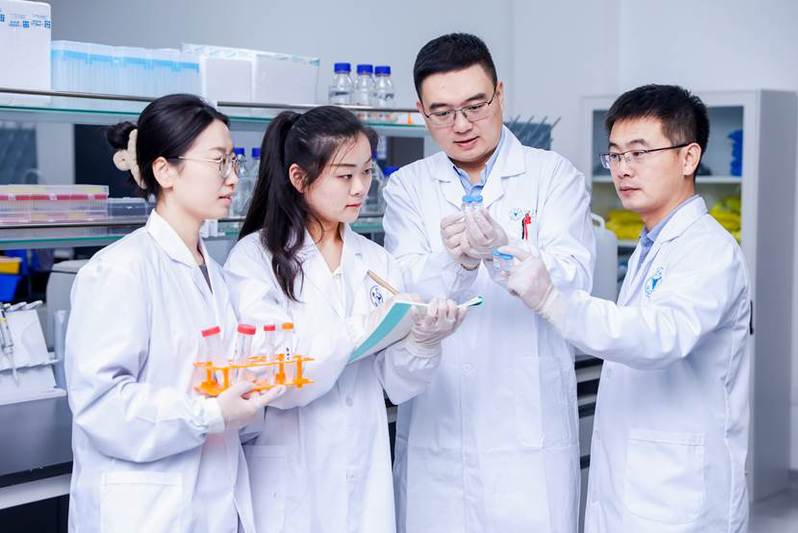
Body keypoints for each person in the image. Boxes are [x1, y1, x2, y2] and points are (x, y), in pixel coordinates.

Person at [500, 84, 751, 532]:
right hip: (638, 487)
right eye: (615, 155)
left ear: (689, 158)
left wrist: (554, 301)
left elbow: (660, 335)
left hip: (679, 495)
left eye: (639, 153)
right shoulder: (650, 245)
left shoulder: (709, 250)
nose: (623, 169)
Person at [382, 33, 595, 532]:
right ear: (421, 112)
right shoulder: (407, 187)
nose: (461, 125)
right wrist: (453, 263)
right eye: (442, 112)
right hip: (439, 426)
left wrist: (505, 253)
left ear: (500, 94)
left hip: (528, 431)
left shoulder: (553, 176)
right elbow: (404, 288)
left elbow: (574, 275)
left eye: (475, 106)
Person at [223, 106, 466, 533]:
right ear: (299, 178)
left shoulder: (376, 260)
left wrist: (423, 342)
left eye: (366, 172)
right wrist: (363, 327)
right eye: (344, 175)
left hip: (363, 466)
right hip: (291, 475)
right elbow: (276, 373)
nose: (359, 188)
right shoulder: (255, 259)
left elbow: (394, 384)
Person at [65, 94, 284, 533]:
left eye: (234, 161)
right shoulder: (120, 270)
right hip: (144, 512)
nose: (233, 177)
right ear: (164, 170)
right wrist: (210, 414)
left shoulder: (216, 276)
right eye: (218, 161)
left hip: (212, 505)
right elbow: (101, 405)